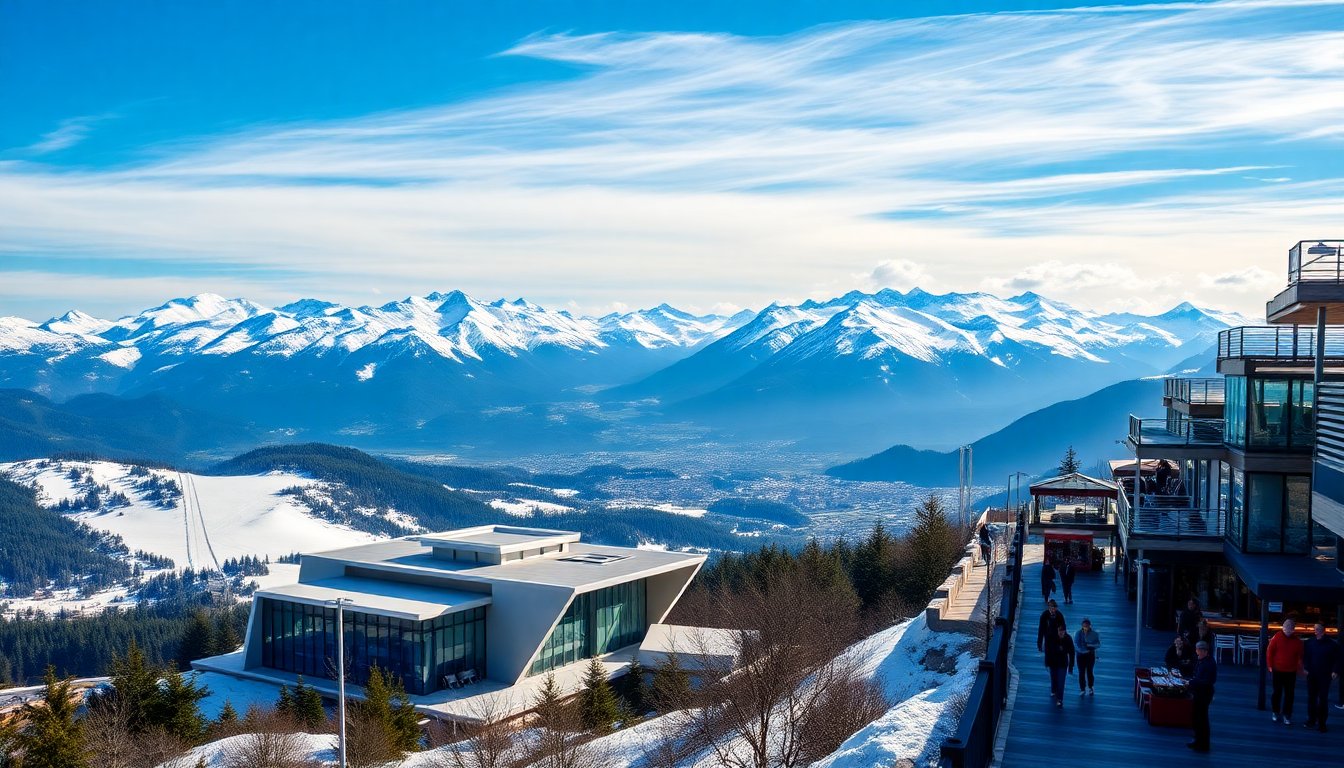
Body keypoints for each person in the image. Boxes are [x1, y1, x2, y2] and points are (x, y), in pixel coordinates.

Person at [1303, 623, 1340, 732]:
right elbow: (1306, 657)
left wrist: (1335, 671)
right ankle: (1311, 720)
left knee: (1323, 699)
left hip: (1325, 675)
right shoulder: (1310, 642)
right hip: (1312, 674)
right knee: (1311, 698)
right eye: (1315, 629)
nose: (1316, 631)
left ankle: (1322, 723)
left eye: (1318, 629)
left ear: (1324, 630)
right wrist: (1305, 668)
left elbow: (1338, 659)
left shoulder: (1332, 645)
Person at [1267, 618, 1305, 725]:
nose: (1287, 629)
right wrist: (1270, 666)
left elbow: (1300, 656)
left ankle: (1287, 715)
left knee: (1289, 694)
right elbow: (1269, 652)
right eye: (1285, 627)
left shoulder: (1298, 642)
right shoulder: (1276, 637)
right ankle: (1275, 711)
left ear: (1293, 629)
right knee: (1277, 693)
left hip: (1291, 672)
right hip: (1278, 670)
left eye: (1289, 628)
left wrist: (1300, 669)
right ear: (1283, 627)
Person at [1188, 640, 1217, 753]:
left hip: (1204, 694)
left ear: (1204, 651)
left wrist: (1192, 683)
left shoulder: (1209, 664)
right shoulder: (1201, 661)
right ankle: (1197, 740)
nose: (1196, 652)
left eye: (1198, 650)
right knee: (1196, 718)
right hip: (1198, 692)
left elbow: (1208, 681)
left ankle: (1203, 744)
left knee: (1202, 719)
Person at [1044, 623, 1076, 707]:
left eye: (1063, 631)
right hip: (1053, 663)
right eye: (1059, 631)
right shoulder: (1052, 638)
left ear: (1065, 631)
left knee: (1061, 682)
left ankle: (1060, 699)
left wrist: (1071, 666)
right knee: (1054, 678)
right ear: (1057, 630)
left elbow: (1072, 653)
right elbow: (1048, 651)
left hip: (1062, 664)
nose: (1061, 632)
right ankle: (1053, 690)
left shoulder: (1068, 639)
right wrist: (1047, 662)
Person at [1074, 617, 1100, 695]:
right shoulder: (1078, 633)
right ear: (1082, 625)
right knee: (1081, 672)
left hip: (1090, 655)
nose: (1085, 626)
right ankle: (1082, 689)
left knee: (1090, 672)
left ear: (1090, 625)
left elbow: (1098, 644)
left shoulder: (1093, 633)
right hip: (1080, 655)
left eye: (1087, 625)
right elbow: (1075, 644)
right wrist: (1082, 651)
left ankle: (1091, 687)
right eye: (1084, 625)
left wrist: (1090, 645)